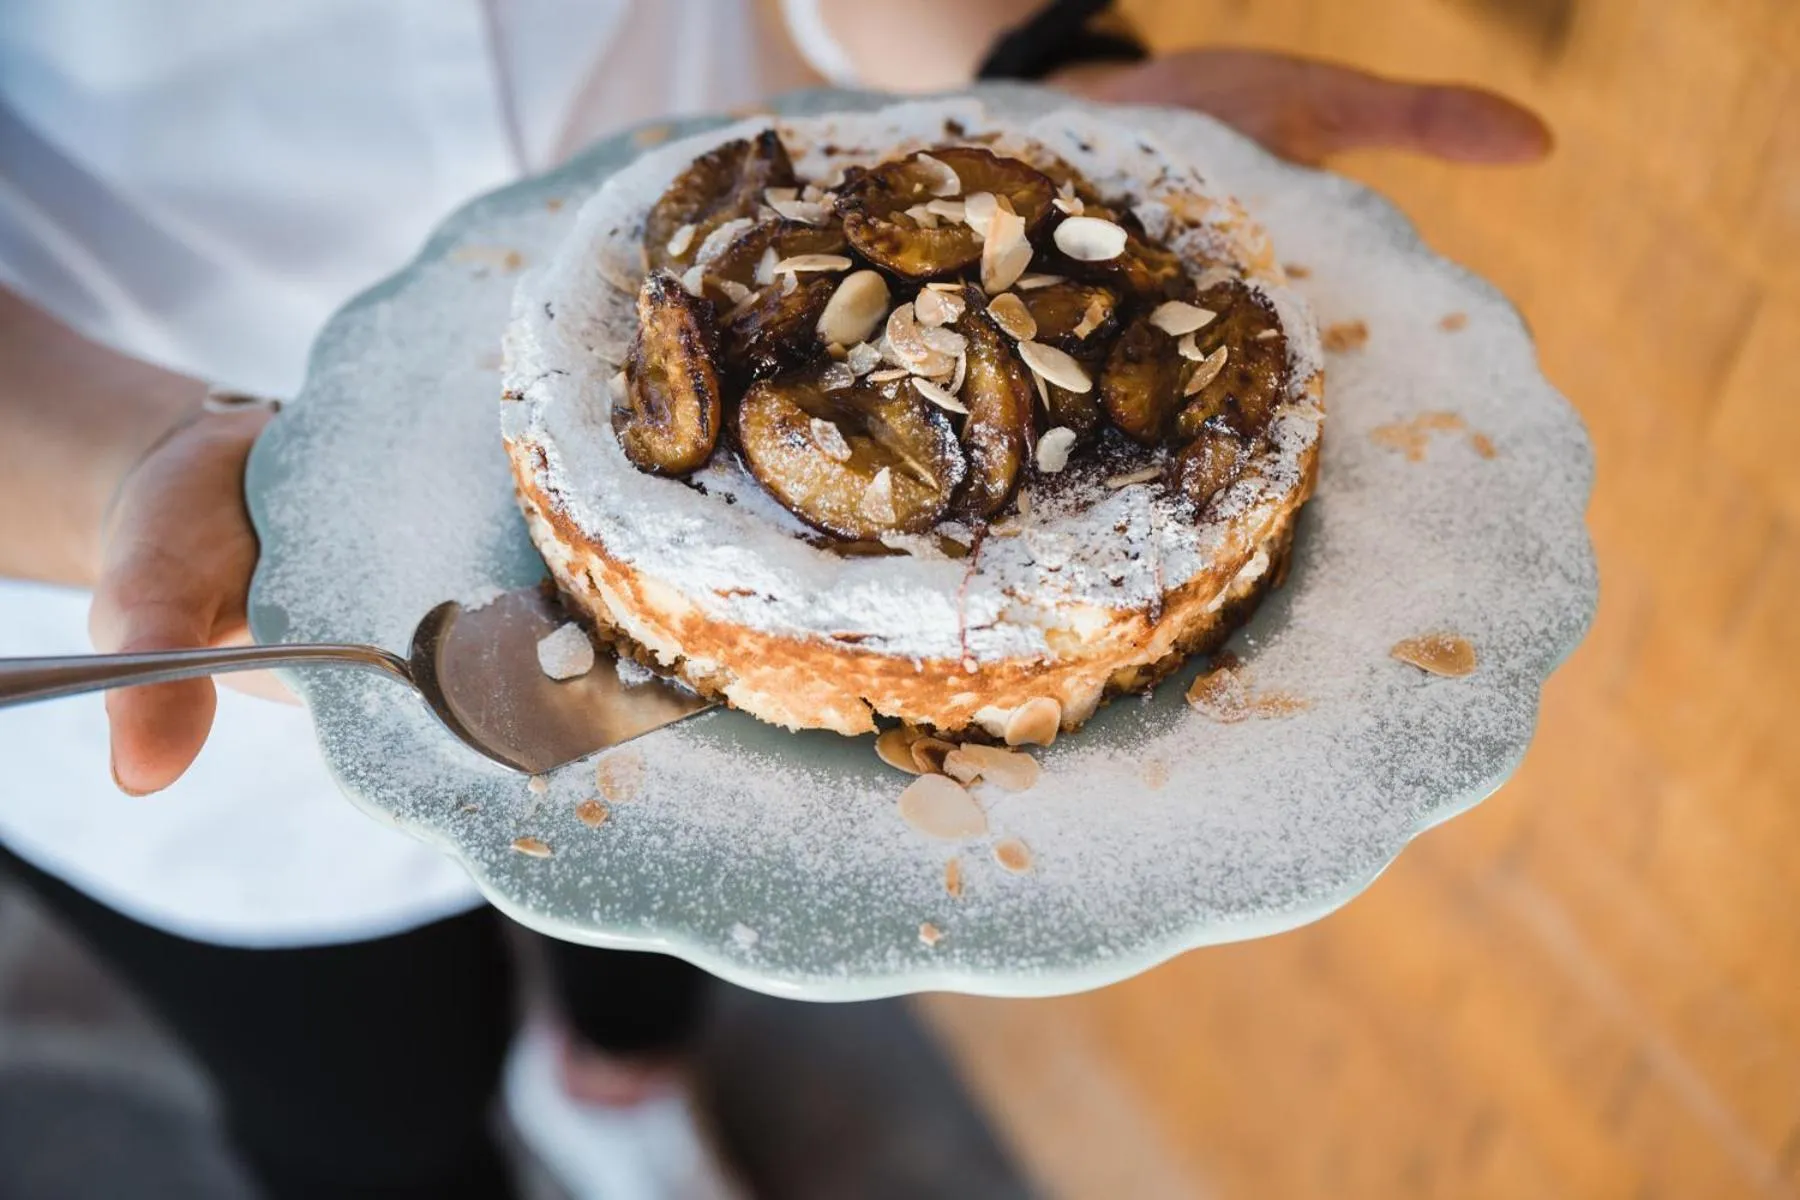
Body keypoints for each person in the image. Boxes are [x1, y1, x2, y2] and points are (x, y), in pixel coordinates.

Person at [0, 2, 1551, 1196]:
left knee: (664, 916)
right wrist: (117, 452)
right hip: (148, 493)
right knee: (364, 1094)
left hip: (709, 299)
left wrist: (1026, 60)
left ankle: (617, 1093)